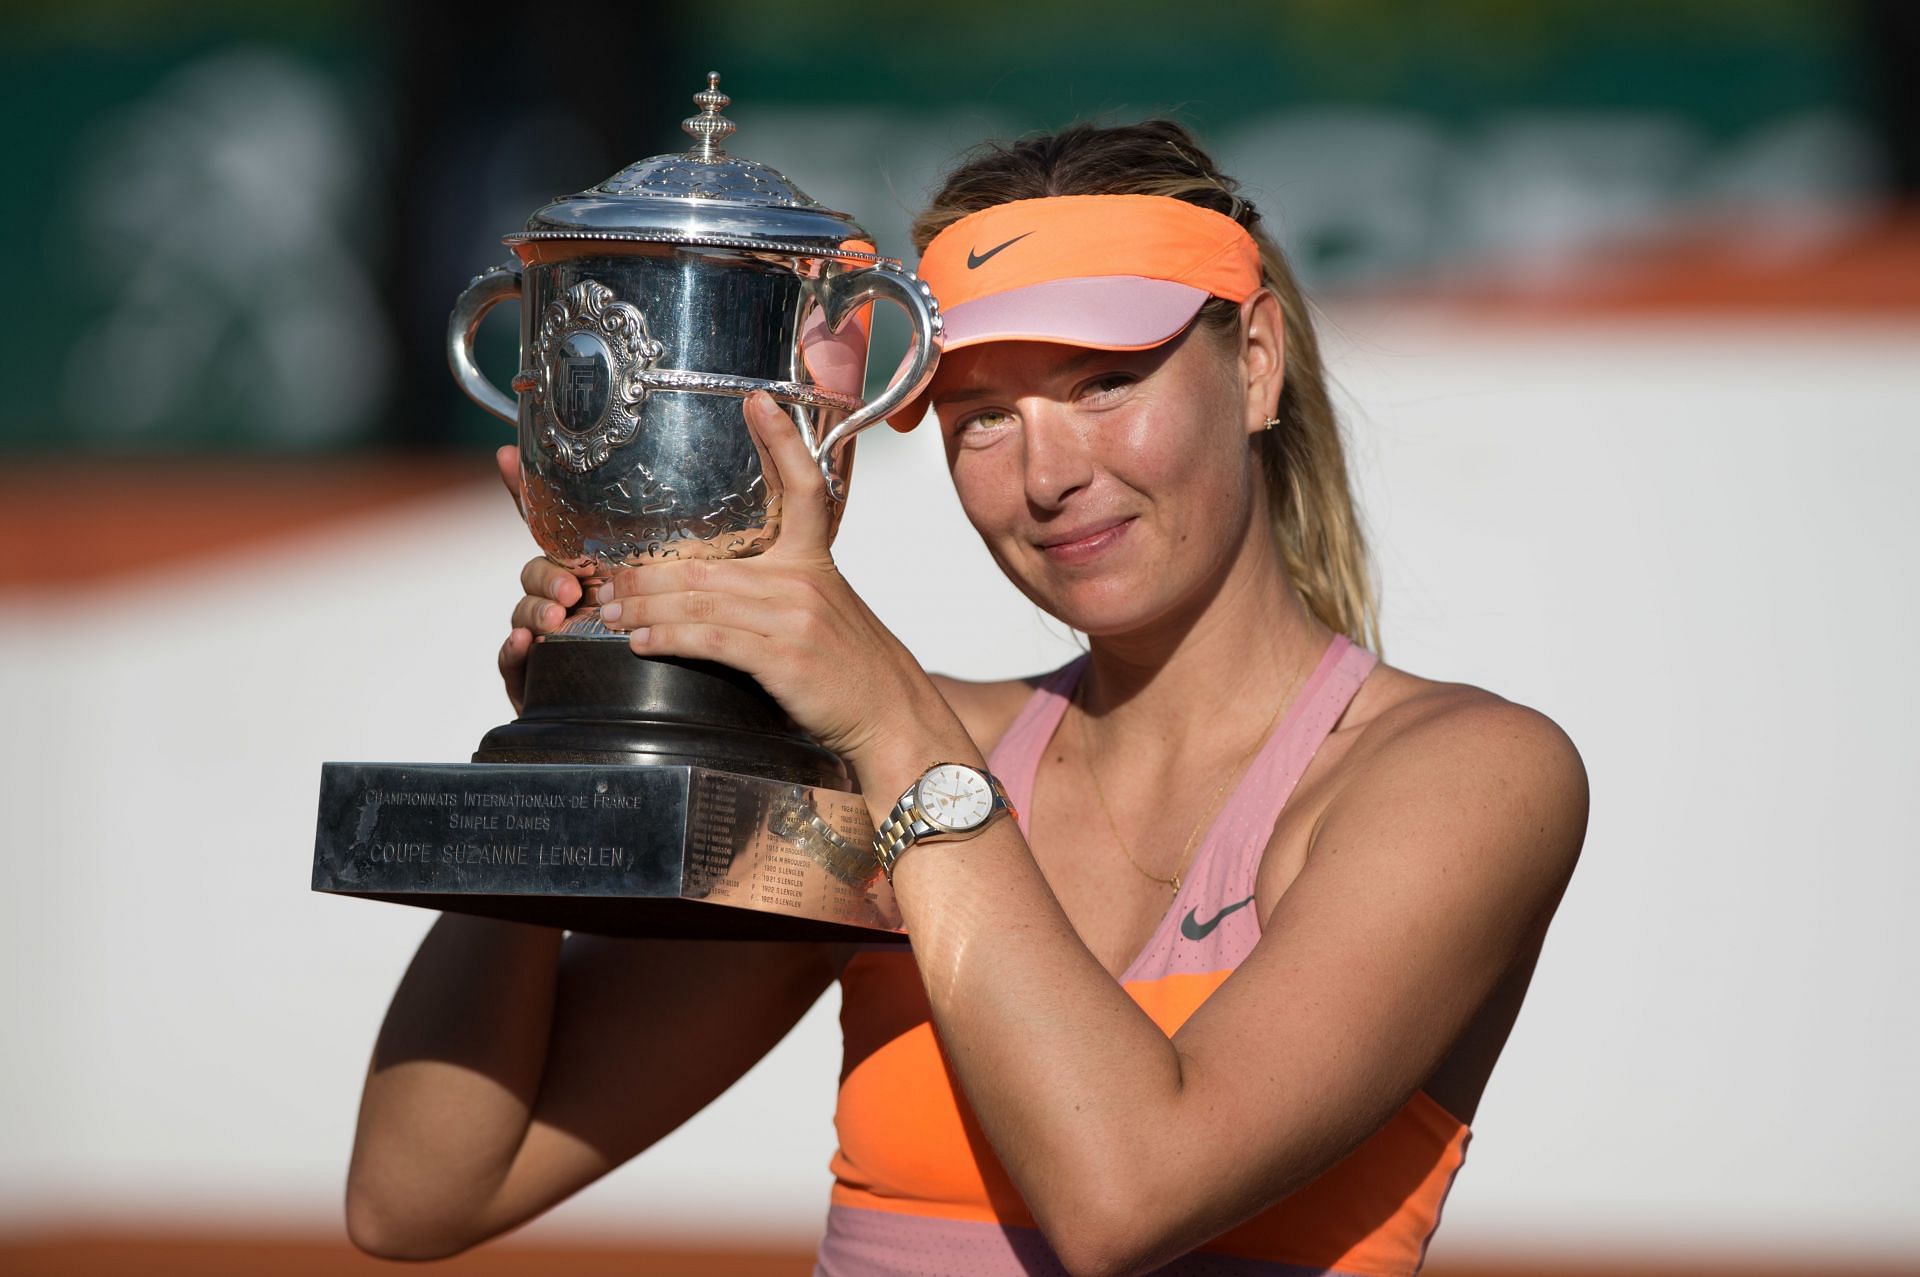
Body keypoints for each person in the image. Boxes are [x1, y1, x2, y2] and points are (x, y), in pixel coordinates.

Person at [346, 120, 1588, 1277]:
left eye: (1104, 384)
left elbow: (1125, 1194)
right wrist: (554, 757)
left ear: (1254, 365)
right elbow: (421, 1191)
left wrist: (885, 709)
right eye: (983, 416)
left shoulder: (1470, 774)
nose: (1049, 474)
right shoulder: (877, 758)